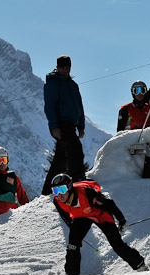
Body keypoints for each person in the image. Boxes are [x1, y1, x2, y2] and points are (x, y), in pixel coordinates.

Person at [50, 173, 146, 275]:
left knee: (117, 245)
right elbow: (65, 216)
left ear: (69, 188)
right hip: (81, 216)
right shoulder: (58, 201)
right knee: (72, 245)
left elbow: (110, 204)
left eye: (62, 190)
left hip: (100, 215)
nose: (59, 194)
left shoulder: (87, 194)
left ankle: (140, 266)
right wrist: (73, 229)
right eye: (56, 190)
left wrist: (121, 220)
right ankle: (71, 274)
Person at [42, 55, 86, 195]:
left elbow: (79, 106)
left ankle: (47, 190)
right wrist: (54, 126)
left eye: (68, 67)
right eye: (63, 67)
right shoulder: (53, 83)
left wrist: (81, 126)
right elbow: (50, 106)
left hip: (71, 124)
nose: (66, 70)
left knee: (61, 159)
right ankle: (78, 179)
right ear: (57, 67)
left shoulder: (73, 85)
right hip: (60, 124)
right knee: (75, 150)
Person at [0, 146, 28, 217]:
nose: (2, 164)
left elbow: (23, 198)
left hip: (12, 219)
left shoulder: (13, 178)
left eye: (4, 160)